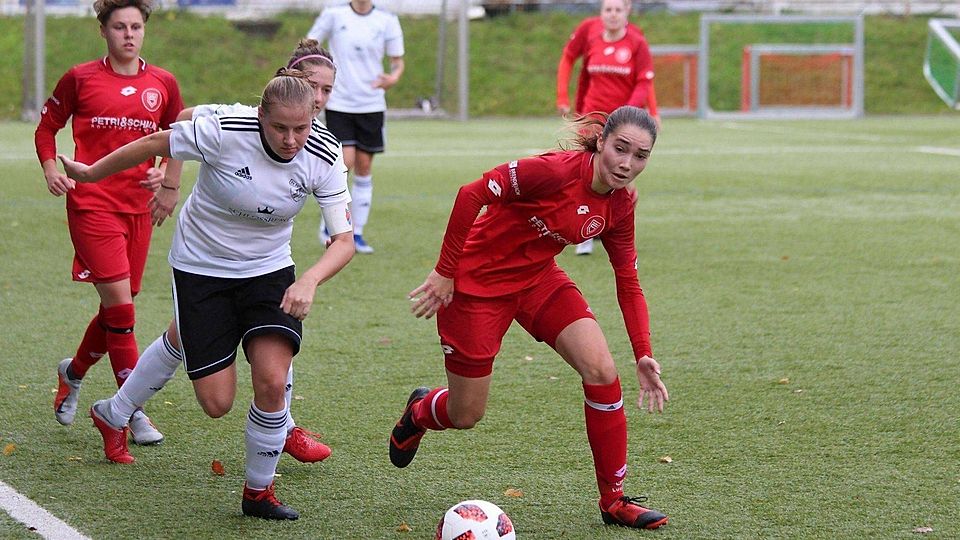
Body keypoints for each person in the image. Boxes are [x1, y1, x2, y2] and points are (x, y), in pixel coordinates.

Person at [59, 68, 354, 520]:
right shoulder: (226, 129)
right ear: (261, 116)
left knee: (273, 379)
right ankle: (112, 411)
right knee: (217, 404)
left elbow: (344, 241)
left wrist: (309, 280)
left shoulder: (324, 152)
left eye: (301, 127)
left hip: (268, 272)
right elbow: (157, 141)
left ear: (315, 115)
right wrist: (94, 173)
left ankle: (259, 493)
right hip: (202, 268)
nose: (292, 139)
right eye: (280, 128)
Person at [389, 106, 670, 530]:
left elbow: (628, 280)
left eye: (641, 156)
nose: (627, 164)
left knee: (601, 369)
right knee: (465, 415)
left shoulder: (621, 204)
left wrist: (643, 353)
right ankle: (422, 410)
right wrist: (446, 272)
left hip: (538, 280)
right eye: (621, 149)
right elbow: (471, 193)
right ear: (602, 141)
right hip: (477, 287)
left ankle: (613, 501)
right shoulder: (554, 172)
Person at [34, 0, 183, 444]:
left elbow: (178, 137)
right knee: (122, 310)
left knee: (118, 307)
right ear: (103, 30)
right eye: (119, 26)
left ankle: (74, 371)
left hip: (137, 208)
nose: (129, 34)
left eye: (136, 26)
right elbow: (47, 128)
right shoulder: (80, 78)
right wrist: (50, 168)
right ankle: (129, 411)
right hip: (91, 203)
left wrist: (166, 179)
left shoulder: (163, 83)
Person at [556, 0, 659, 255]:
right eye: (608, 10)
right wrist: (574, 107)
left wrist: (632, 114)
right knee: (586, 168)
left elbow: (643, 84)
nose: (612, 14)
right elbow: (583, 78)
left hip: (621, 123)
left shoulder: (637, 43)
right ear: (601, 14)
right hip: (593, 119)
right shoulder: (592, 40)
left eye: (617, 10)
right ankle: (584, 233)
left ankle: (614, 219)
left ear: (627, 13)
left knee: (619, 176)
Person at [307, 0, 405, 254]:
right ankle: (331, 224)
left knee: (364, 166)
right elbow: (310, 47)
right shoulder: (334, 14)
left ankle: (357, 233)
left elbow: (397, 61)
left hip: (371, 103)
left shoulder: (386, 19)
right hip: (340, 102)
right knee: (343, 162)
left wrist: (393, 78)